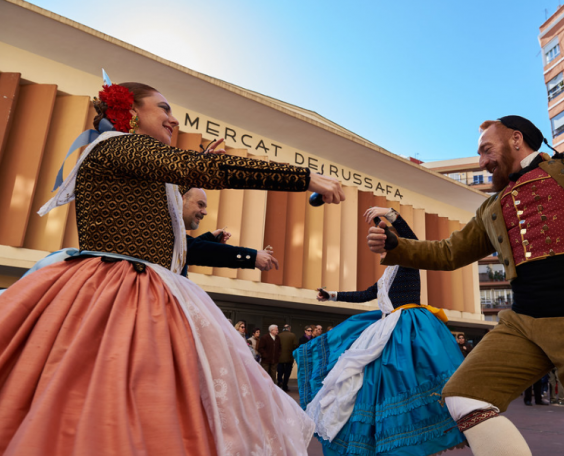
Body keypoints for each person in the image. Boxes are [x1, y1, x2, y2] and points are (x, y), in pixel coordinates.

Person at [366, 4, 564, 455]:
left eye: (485, 148)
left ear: (516, 139)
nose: (480, 160)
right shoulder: (493, 207)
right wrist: (399, 245)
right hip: (525, 325)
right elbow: (449, 253)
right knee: (463, 396)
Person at [0, 75, 346, 454]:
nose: (173, 119)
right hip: (122, 290)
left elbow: (172, 217)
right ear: (131, 112)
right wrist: (305, 177)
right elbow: (198, 174)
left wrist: (197, 170)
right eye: (163, 108)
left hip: (137, 287)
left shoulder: (132, 156)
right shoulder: (117, 146)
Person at [295, 207, 466, 455]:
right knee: (373, 380)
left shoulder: (409, 262)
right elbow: (365, 294)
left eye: (383, 238)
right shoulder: (388, 273)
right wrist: (331, 295)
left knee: (408, 376)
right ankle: (390, 436)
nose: (380, 243)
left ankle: (422, 436)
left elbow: (414, 241)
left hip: (408, 329)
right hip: (386, 329)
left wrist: (390, 214)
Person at [181, 188, 279, 276]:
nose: (205, 212)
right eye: (200, 204)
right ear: (182, 199)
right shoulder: (169, 234)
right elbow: (191, 249)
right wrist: (253, 257)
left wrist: (209, 238)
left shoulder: (176, 237)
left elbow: (189, 249)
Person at [277, 324, 299, 392]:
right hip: (289, 357)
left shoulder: (279, 335)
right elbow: (295, 345)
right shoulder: (292, 335)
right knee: (287, 373)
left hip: (280, 357)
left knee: (280, 371)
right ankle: (285, 386)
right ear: (289, 328)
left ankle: (279, 381)